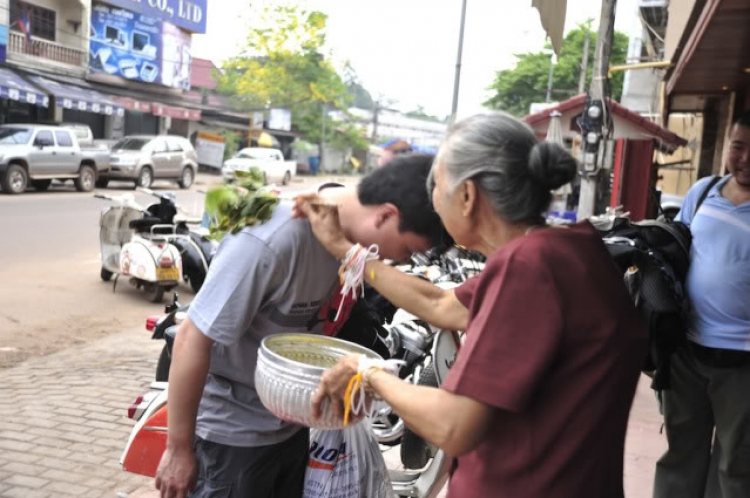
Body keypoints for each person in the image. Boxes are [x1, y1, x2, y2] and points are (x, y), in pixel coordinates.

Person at [295, 112, 649, 498]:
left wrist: (367, 374)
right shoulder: (572, 251)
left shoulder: (529, 269)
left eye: (437, 184)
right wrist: (348, 252)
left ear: (466, 195)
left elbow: (453, 426)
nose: (433, 197)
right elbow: (440, 304)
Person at [154, 153, 446, 498]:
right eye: (409, 250)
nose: (402, 261)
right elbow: (192, 338)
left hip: (290, 428)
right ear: (385, 215)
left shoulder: (350, 244)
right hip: (232, 437)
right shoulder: (274, 240)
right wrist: (178, 449)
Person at [653, 111, 750, 498]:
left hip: (742, 362)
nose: (745, 159)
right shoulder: (705, 191)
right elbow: (678, 254)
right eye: (739, 147)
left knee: (735, 465)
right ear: (727, 146)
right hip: (688, 351)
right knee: (681, 452)